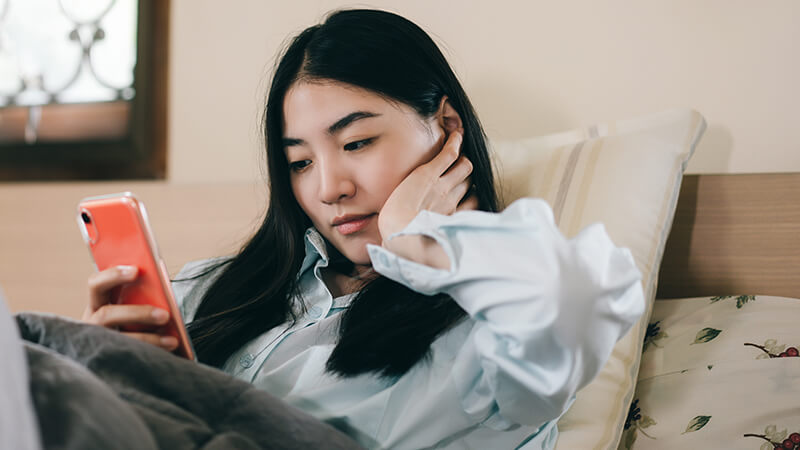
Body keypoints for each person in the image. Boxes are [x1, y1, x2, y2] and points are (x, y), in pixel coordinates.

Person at [82, 9, 645, 449]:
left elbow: (578, 298)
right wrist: (110, 371)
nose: (328, 188)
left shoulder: (492, 334)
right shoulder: (211, 291)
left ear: (445, 126)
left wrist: (419, 241)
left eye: (356, 144)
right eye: (300, 162)